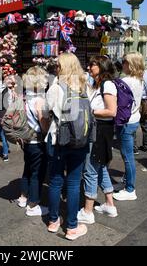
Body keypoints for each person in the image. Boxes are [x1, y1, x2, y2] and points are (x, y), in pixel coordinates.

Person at [46, 52, 90, 241]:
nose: (55, 67)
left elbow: (47, 113)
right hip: (79, 141)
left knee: (55, 181)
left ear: (61, 67)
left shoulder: (55, 88)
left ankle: (53, 220)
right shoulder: (83, 86)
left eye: (58, 65)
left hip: (58, 140)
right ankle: (72, 227)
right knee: (73, 183)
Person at [77, 56, 118, 225]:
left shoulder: (108, 85)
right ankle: (109, 204)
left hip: (100, 131)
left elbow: (111, 111)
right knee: (100, 167)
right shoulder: (96, 85)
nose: (89, 67)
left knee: (90, 170)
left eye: (92, 64)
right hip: (98, 129)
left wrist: (89, 111)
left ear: (101, 67)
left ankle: (88, 211)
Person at [16, 66, 50, 217]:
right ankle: (33, 205)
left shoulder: (24, 96)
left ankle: (23, 197)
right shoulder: (39, 100)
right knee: (37, 173)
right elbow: (43, 126)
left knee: (27, 169)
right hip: (37, 141)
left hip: (25, 139)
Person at [113, 53, 144, 201]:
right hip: (134, 118)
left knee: (127, 156)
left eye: (124, 62)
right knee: (128, 154)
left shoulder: (124, 81)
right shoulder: (139, 80)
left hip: (125, 121)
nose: (122, 64)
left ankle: (130, 189)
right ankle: (126, 182)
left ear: (130, 64)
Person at [134, 66, 147, 153]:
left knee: (134, 124)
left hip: (137, 101)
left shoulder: (135, 74)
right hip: (146, 101)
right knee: (146, 125)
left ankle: (134, 148)